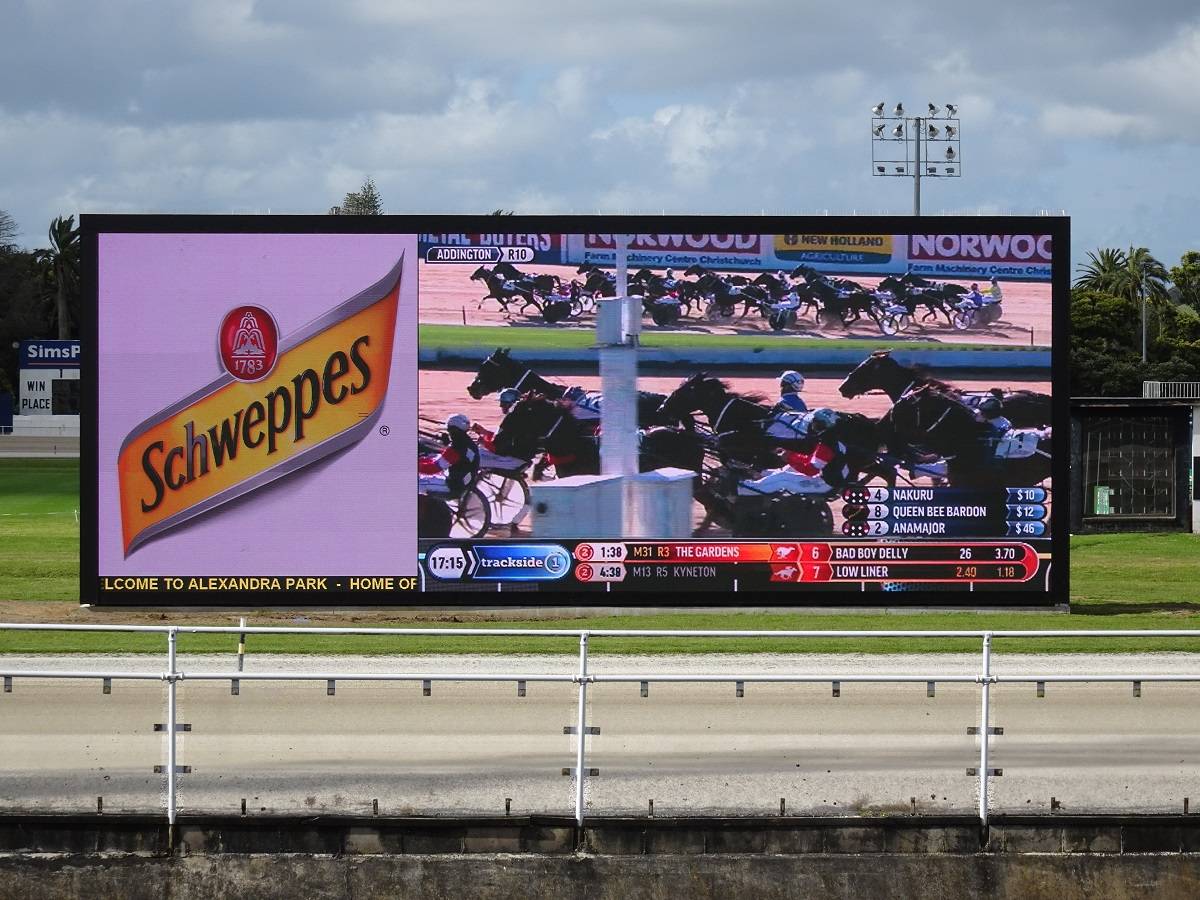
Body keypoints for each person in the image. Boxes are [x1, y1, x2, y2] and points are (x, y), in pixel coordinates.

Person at [738, 408, 850, 496]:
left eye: (815, 424)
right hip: (828, 477)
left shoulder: (826, 446)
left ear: (823, 426)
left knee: (783, 480)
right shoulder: (832, 440)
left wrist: (789, 458)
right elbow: (810, 460)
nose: (812, 426)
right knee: (785, 471)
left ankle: (744, 489)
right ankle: (760, 475)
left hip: (824, 484)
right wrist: (791, 455)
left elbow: (811, 470)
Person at [418, 414, 480, 496]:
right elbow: (443, 459)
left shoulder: (457, 447)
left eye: (449, 429)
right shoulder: (468, 443)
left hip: (453, 486)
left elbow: (433, 469)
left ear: (454, 430)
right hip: (464, 482)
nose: (448, 432)